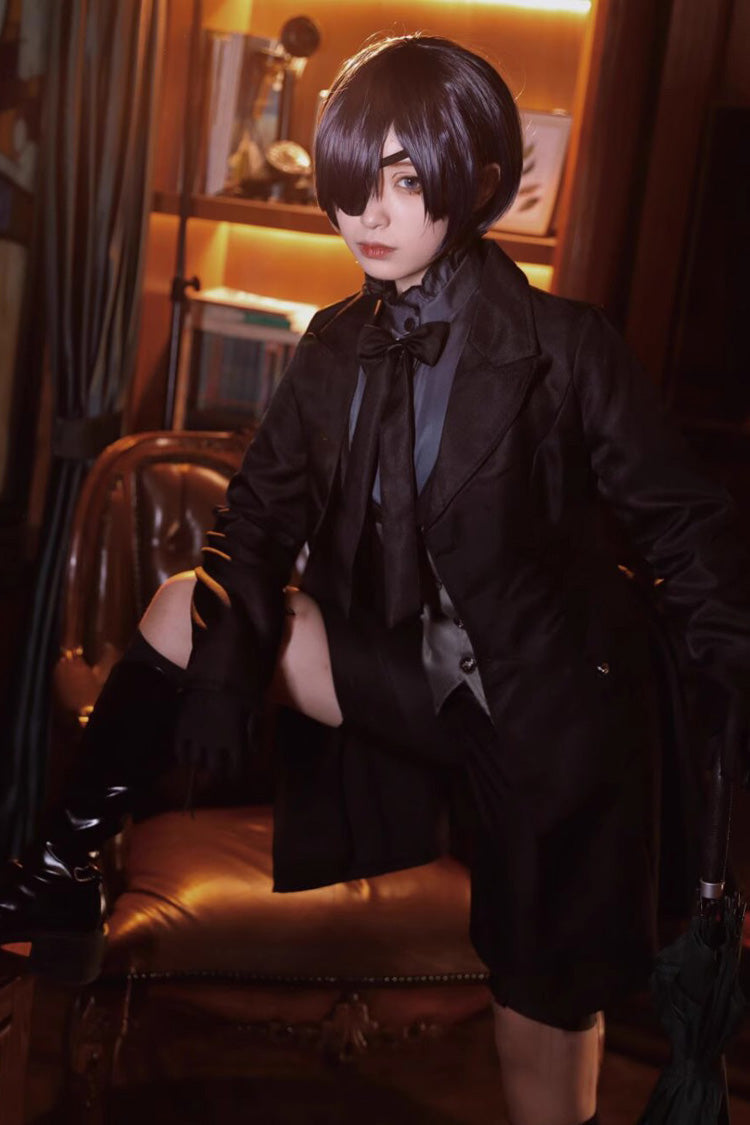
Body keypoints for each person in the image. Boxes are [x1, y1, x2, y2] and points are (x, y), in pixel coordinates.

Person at [2, 33, 749, 1125]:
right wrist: (225, 670)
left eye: (403, 180)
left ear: (477, 182)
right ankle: (61, 865)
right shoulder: (335, 343)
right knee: (180, 607)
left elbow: (689, 536)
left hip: (548, 715)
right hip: (411, 678)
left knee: (541, 1032)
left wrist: (725, 706)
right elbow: (257, 518)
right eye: (352, 182)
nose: (369, 214)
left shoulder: (567, 349)